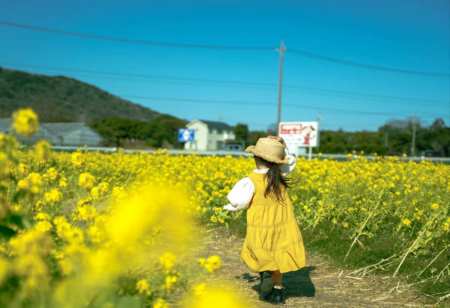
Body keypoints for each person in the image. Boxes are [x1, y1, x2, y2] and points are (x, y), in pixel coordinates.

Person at [223, 136, 307, 304]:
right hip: (282, 226)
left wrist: (231, 207)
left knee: (261, 254)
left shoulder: (250, 181)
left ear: (255, 157)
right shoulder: (280, 175)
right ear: (277, 161)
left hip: (261, 227)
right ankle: (278, 291)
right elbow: (290, 162)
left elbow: (237, 200)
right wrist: (283, 146)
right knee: (277, 258)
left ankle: (266, 278)